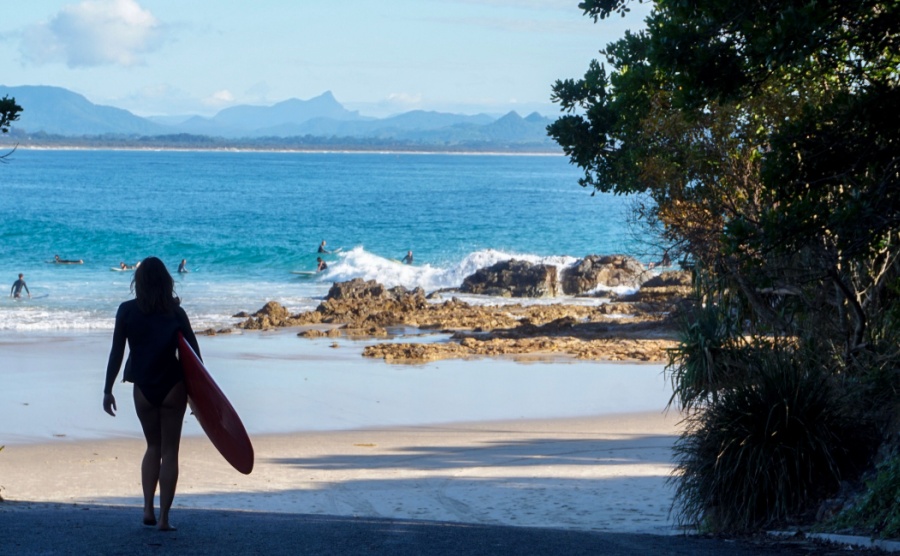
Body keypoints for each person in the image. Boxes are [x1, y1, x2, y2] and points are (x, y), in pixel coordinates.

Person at [103, 257, 201, 532]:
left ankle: (147, 508)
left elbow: (117, 353)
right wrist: (200, 397)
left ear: (139, 283)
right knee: (170, 451)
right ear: (166, 282)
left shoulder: (126, 311)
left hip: (143, 387)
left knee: (153, 447)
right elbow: (194, 357)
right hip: (173, 386)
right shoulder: (176, 313)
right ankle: (164, 519)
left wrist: (107, 389)